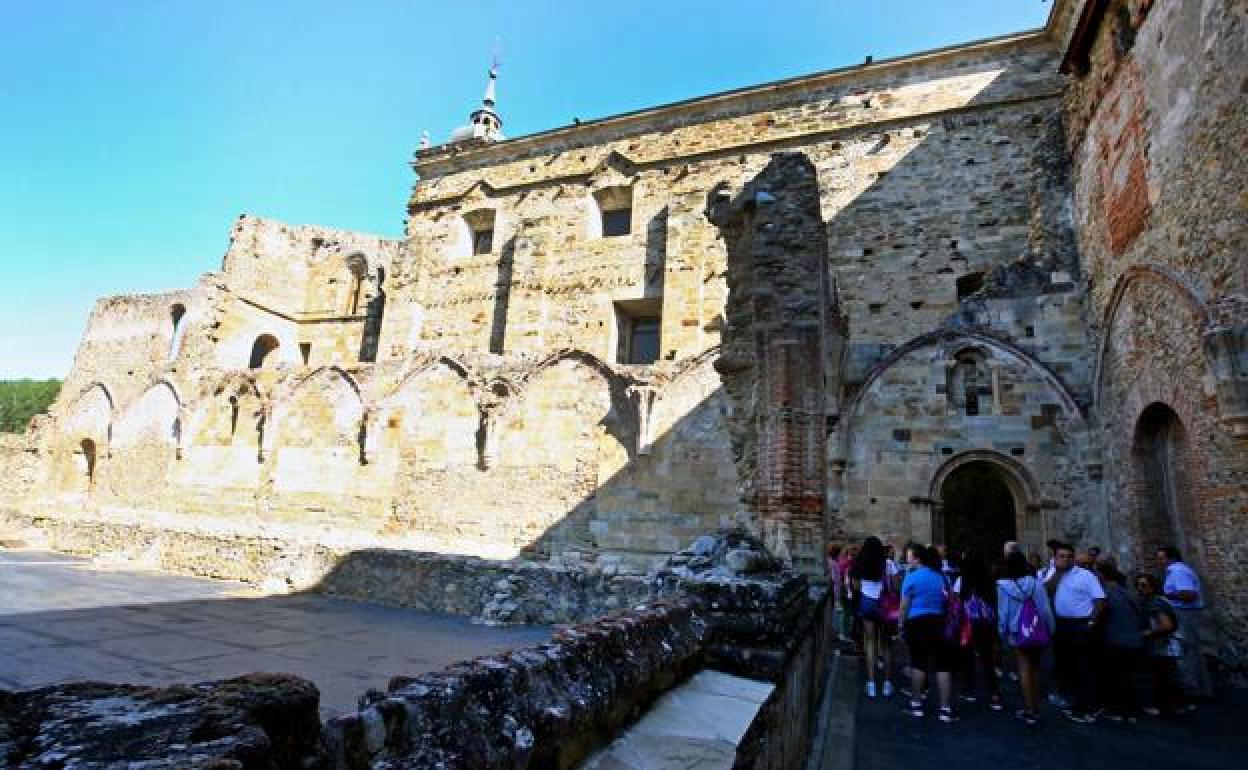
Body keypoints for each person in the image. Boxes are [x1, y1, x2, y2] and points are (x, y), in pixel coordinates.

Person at [1044, 542, 1105, 723]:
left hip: (1080, 625)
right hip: (1062, 625)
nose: (1066, 560)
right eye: (1061, 556)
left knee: (1083, 666)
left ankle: (1089, 707)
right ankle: (1075, 701)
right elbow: (1046, 591)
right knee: (1066, 664)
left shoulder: (1085, 576)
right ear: (1055, 559)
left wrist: (1092, 622)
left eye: (1069, 556)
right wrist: (1056, 573)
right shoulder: (1054, 575)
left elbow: (1100, 600)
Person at [997, 550, 1054, 725]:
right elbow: (1045, 609)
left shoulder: (1002, 586)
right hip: (1036, 629)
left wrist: (1001, 632)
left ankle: (1029, 709)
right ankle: (1035, 705)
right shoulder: (1036, 584)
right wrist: (1050, 629)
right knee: (1035, 667)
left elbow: (1003, 612)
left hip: (1017, 632)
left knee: (1023, 668)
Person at [900, 545, 958, 722]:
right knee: (942, 665)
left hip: (917, 622)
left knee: (918, 663)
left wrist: (901, 625)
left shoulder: (912, 577)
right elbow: (950, 600)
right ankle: (945, 709)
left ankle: (916, 704)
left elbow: (904, 605)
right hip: (938, 621)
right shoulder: (942, 577)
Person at [1156, 546, 1213, 701]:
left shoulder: (1177, 571)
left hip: (1184, 613)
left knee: (1186, 651)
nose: (1160, 561)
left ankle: (1192, 690)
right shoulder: (1176, 571)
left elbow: (1189, 594)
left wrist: (1166, 595)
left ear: (1171, 558)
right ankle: (1200, 689)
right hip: (1184, 613)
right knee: (1191, 651)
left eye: (1162, 558)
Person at [851, 536, 897, 697]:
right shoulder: (888, 563)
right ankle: (887, 683)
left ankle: (871, 684)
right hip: (884, 605)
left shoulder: (859, 562)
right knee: (886, 644)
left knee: (870, 642)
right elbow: (895, 585)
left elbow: (855, 585)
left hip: (867, 603)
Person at [1095, 562, 1142, 721]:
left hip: (1115, 639)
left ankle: (1117, 710)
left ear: (1101, 576)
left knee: (1115, 676)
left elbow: (1101, 617)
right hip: (1132, 639)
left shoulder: (1106, 593)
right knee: (1126, 676)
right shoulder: (1127, 593)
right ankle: (1129, 710)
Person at [956, 549, 1001, 710]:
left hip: (969, 622)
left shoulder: (965, 579)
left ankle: (969, 689)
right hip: (986, 622)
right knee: (987, 657)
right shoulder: (988, 578)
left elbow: (961, 600)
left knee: (967, 656)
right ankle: (994, 694)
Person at [1136, 573, 1184, 718]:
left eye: (1143, 585)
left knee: (1162, 676)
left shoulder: (1156, 603)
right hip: (1162, 645)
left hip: (1162, 645)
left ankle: (1165, 707)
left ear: (1152, 587)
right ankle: (1173, 706)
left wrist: (1146, 633)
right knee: (1165, 676)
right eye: (1138, 585)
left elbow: (1166, 625)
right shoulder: (1157, 601)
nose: (1139, 588)